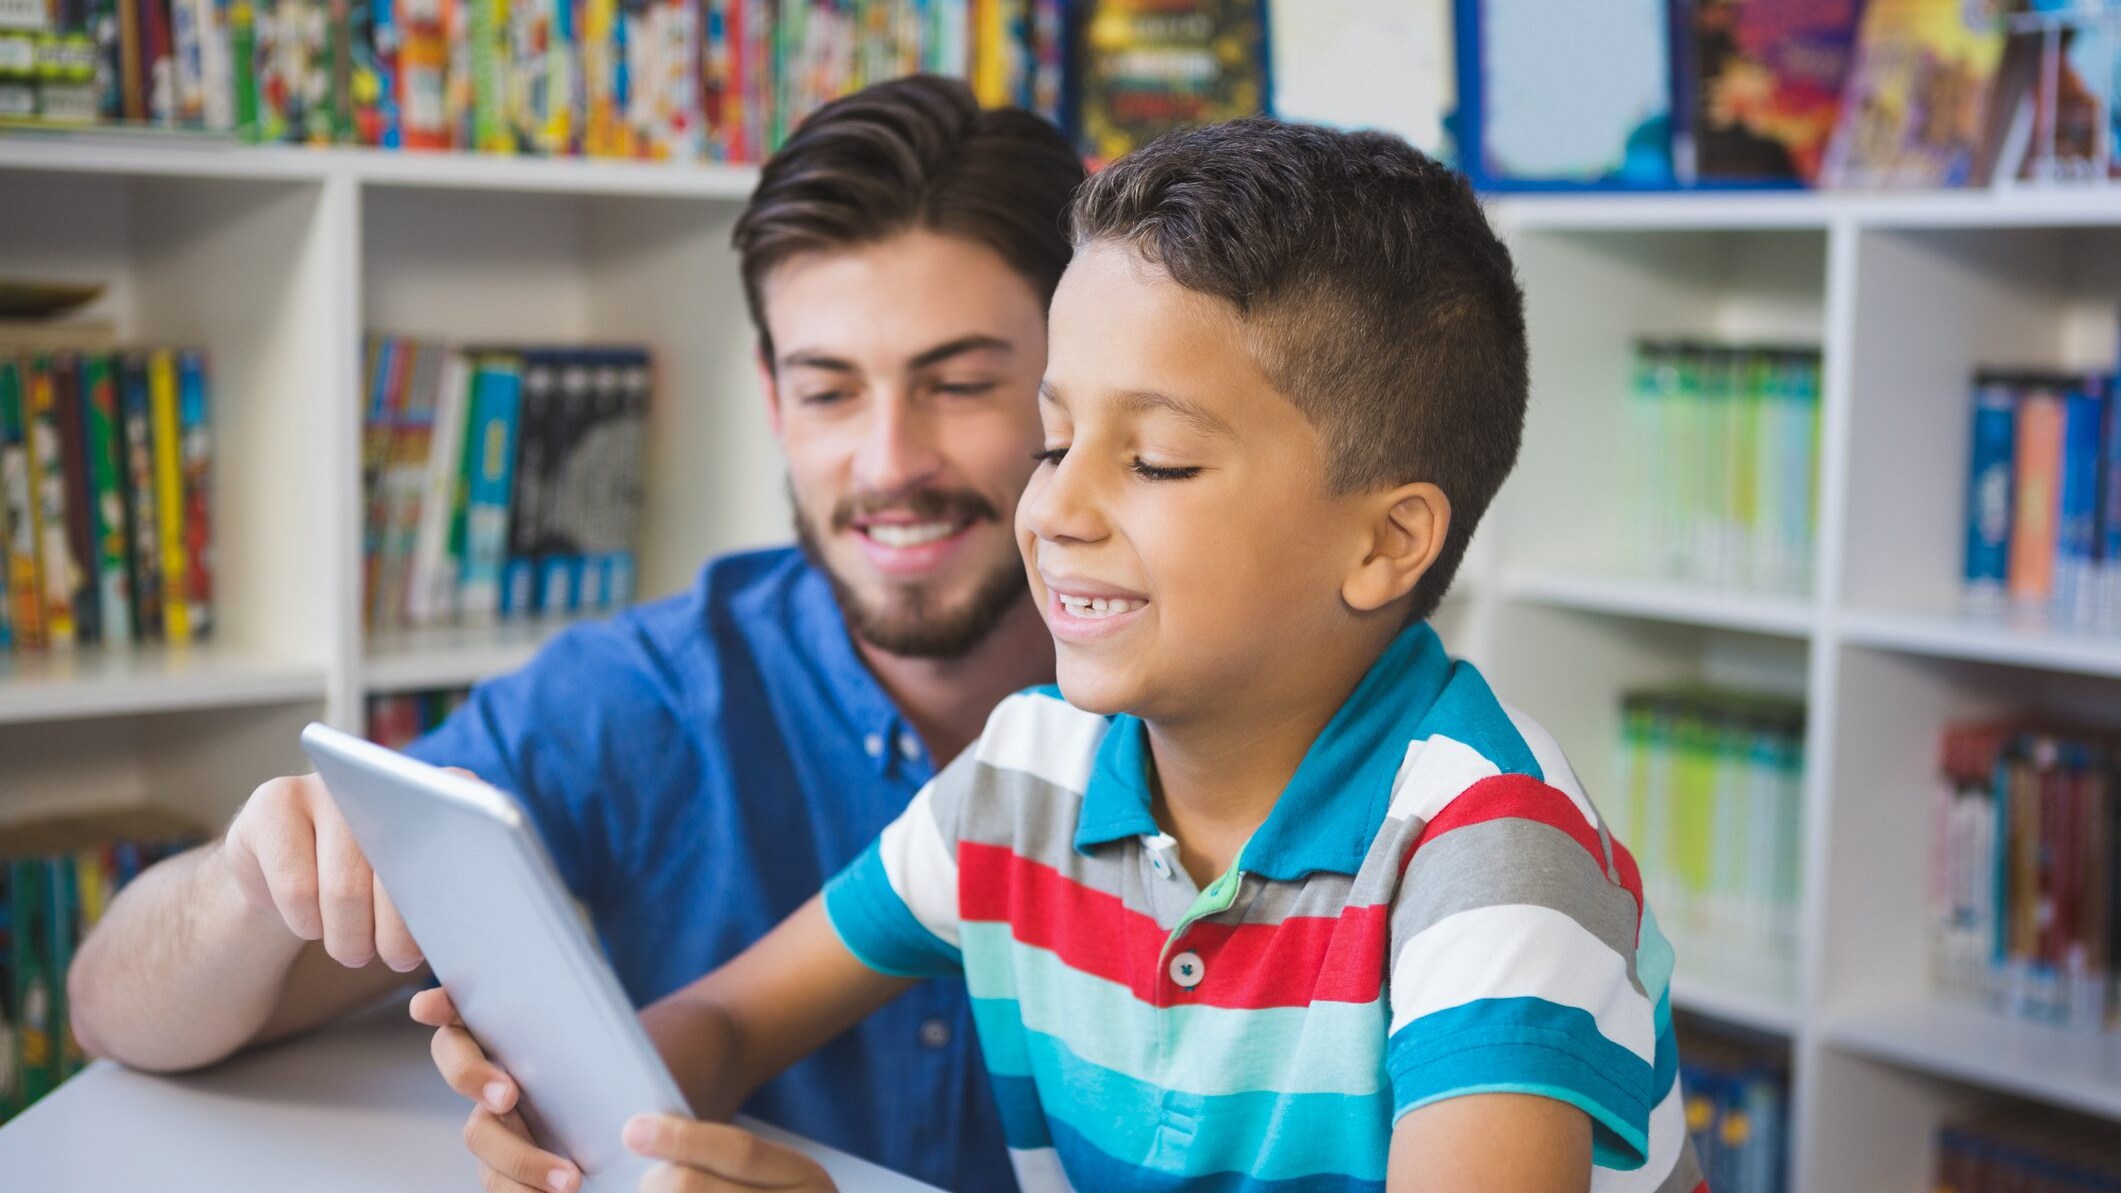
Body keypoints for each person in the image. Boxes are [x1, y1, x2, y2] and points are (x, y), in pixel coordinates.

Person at [423, 116, 1707, 1193]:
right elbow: (729, 1018)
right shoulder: (1031, 773)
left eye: (1154, 460)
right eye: (1054, 439)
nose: (1055, 508)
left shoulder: (1493, 866)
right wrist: (580, 1106)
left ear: (1385, 542)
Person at [65, 75, 1086, 1193]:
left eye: (961, 383)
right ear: (770, 397)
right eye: (829, 391)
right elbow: (115, 1008)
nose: (889, 461)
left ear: (1076, 384)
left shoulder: (1220, 707)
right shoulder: (650, 693)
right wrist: (252, 883)